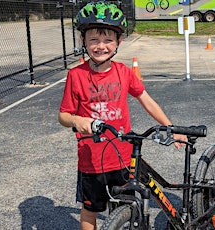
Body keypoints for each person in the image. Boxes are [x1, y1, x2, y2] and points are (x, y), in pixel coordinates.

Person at [58, 2, 186, 229]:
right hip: (92, 161)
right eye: (94, 40)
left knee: (124, 206)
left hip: (123, 157)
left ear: (119, 42)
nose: (101, 46)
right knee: (90, 210)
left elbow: (146, 101)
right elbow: (64, 115)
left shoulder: (124, 72)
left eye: (108, 40)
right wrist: (78, 120)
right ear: (83, 42)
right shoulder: (76, 75)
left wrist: (170, 126)